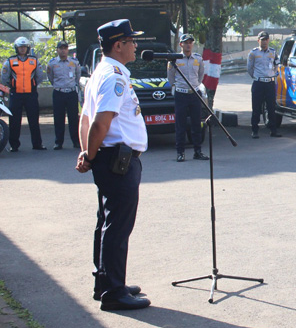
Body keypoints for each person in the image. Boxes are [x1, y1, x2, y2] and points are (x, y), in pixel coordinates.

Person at [75, 19, 150, 310]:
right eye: (132, 41)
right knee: (117, 227)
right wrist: (90, 155)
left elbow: (84, 119)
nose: (135, 46)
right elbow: (99, 122)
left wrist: (86, 154)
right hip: (117, 161)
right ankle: (114, 293)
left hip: (108, 158)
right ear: (118, 45)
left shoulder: (100, 73)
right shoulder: (115, 76)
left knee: (106, 224)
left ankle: (105, 282)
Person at [168, 33, 209, 162]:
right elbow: (170, 77)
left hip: (195, 94)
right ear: (181, 44)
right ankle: (180, 152)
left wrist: (195, 86)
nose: (188, 45)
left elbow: (201, 75)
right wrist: (177, 86)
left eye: (190, 42)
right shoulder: (174, 59)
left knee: (197, 124)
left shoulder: (198, 59)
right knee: (180, 124)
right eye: (186, 42)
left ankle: (198, 151)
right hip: (181, 94)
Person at [1, 37, 46, 152]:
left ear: (28, 48)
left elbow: (40, 76)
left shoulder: (34, 61)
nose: (22, 49)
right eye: (20, 47)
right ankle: (14, 145)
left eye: (24, 47)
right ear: (16, 48)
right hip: (15, 95)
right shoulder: (10, 61)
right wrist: (11, 87)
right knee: (14, 121)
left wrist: (33, 84)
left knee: (34, 121)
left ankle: (37, 144)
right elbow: (4, 78)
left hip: (31, 94)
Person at [47, 40, 81, 150]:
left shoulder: (74, 62)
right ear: (57, 50)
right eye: (61, 48)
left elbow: (78, 76)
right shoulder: (52, 63)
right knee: (58, 118)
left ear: (67, 50)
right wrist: (58, 86)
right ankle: (58, 142)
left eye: (65, 48)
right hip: (58, 93)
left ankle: (76, 141)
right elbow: (50, 77)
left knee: (73, 118)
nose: (63, 50)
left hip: (71, 92)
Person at [247, 31, 281, 139]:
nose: (264, 42)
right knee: (256, 108)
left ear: (268, 40)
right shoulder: (253, 53)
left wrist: (272, 75)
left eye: (266, 39)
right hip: (258, 83)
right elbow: (249, 68)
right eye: (262, 40)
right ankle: (254, 130)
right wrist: (257, 77)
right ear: (258, 41)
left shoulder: (273, 52)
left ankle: (273, 130)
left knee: (271, 107)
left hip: (270, 83)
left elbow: (276, 65)